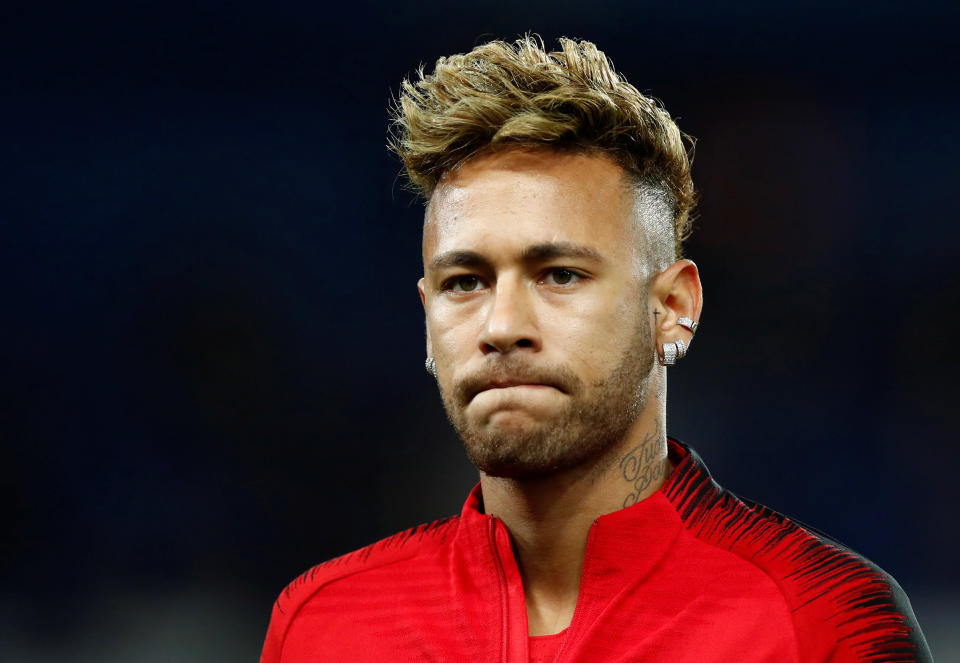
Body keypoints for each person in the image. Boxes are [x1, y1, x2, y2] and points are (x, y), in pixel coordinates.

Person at [259, 36, 931, 662]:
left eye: (560, 275)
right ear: (427, 315)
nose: (501, 325)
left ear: (673, 309)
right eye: (464, 282)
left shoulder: (819, 622)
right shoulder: (325, 625)